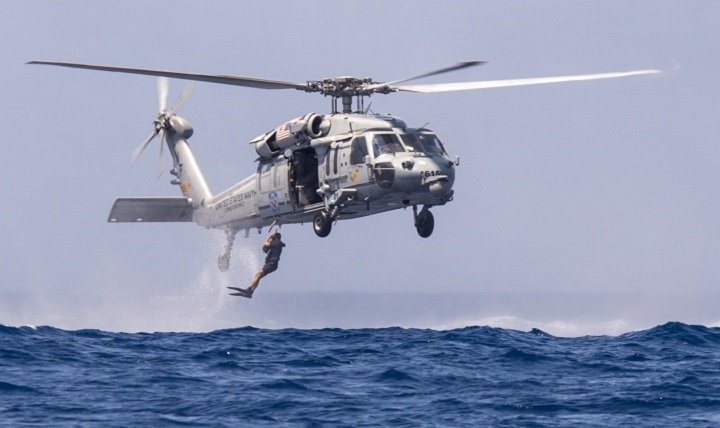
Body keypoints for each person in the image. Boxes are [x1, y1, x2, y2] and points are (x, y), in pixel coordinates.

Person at [229, 232, 285, 298]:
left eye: (273, 237)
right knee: (258, 276)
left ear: (275, 237)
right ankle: (250, 293)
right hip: (271, 264)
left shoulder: (276, 243)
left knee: (258, 274)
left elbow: (264, 244)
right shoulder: (276, 244)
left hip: (271, 264)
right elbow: (265, 249)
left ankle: (248, 289)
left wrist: (269, 237)